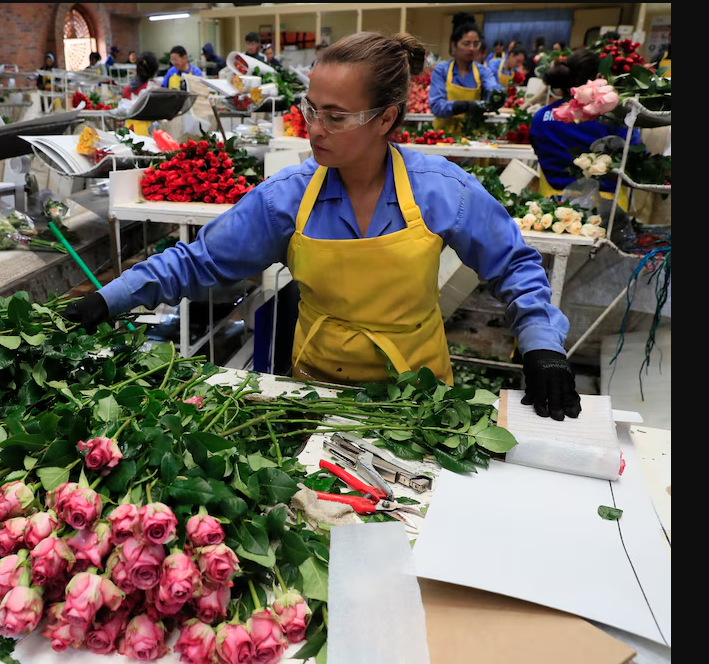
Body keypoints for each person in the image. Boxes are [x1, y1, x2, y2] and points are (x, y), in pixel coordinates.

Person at [64, 31, 580, 421]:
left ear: (385, 119)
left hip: (419, 398)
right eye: (311, 109)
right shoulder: (287, 198)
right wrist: (109, 298)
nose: (313, 129)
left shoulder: (441, 190)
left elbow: (513, 263)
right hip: (314, 395)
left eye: (335, 117)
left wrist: (541, 344)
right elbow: (201, 260)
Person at [528, 48, 639, 210]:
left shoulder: (540, 118)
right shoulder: (612, 117)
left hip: (552, 209)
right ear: (597, 79)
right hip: (605, 209)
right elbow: (634, 154)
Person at [429, 13, 504, 137]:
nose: (472, 49)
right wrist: (463, 106)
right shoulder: (441, 71)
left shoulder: (483, 72)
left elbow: (492, 87)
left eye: (476, 44)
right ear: (454, 45)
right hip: (443, 137)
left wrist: (498, 95)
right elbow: (437, 106)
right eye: (466, 44)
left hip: (472, 136)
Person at [121, 51, 161, 136]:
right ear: (155, 71)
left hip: (129, 132)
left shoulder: (127, 89)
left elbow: (123, 111)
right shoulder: (155, 90)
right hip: (149, 134)